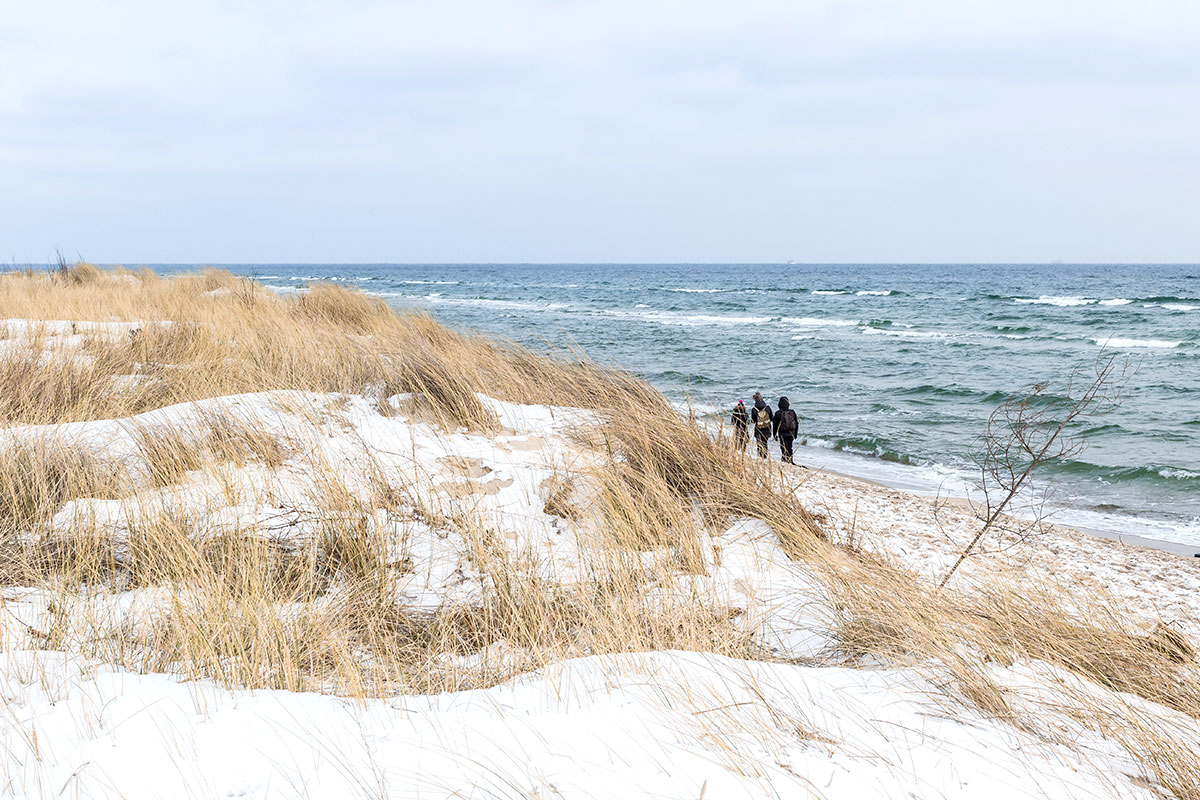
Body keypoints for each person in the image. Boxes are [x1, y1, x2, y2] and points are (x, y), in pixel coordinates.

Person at [773, 396, 799, 464]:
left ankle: (785, 460)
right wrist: (795, 434)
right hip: (791, 433)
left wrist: (774, 435)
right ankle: (790, 461)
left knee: (783, 447)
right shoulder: (792, 412)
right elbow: (796, 423)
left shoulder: (778, 413)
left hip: (782, 433)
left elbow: (775, 425)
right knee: (790, 447)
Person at [749, 391, 773, 458]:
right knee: (765, 443)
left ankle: (760, 456)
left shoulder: (754, 409)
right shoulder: (767, 408)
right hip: (767, 428)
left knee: (759, 443)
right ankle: (765, 456)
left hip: (758, 429)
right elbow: (771, 418)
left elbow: (753, 421)